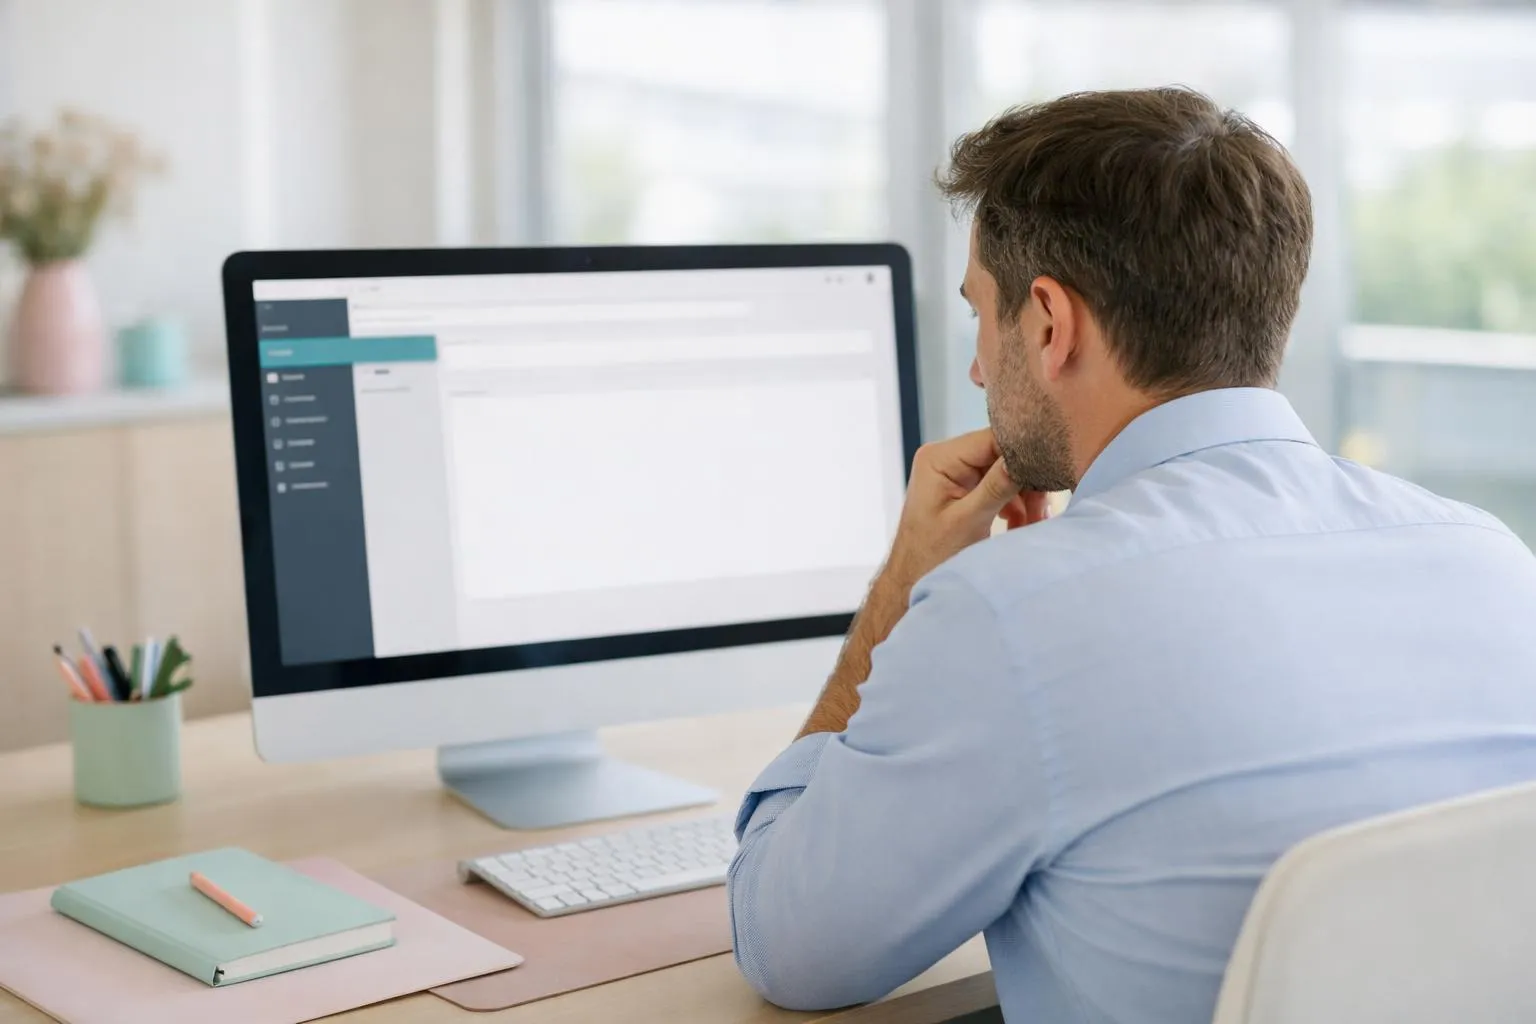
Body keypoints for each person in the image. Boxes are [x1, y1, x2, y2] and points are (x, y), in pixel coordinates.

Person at [726, 87, 1536, 1024]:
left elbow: (789, 947)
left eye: (980, 318)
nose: (981, 369)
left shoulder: (1006, 615)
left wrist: (906, 589)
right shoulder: (1493, 560)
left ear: (1048, 323)